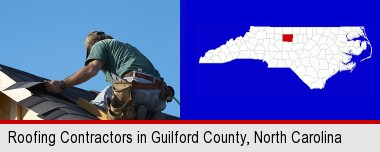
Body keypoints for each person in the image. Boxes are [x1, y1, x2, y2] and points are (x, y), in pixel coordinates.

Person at [45, 31, 173, 119]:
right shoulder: (127, 50)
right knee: (130, 111)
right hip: (159, 97)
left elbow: (91, 69)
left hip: (135, 87)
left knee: (96, 108)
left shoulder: (99, 45)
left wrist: (62, 84)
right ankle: (147, 115)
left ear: (92, 46)